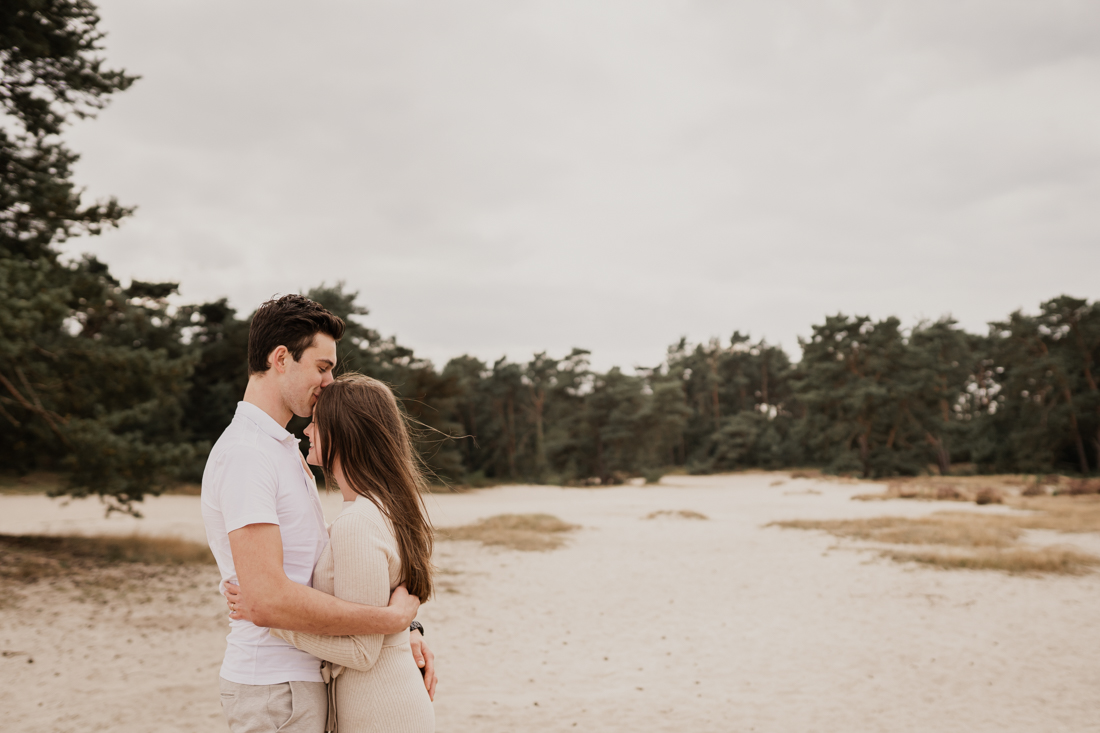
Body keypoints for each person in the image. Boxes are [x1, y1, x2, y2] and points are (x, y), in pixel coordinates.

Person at [201, 295, 435, 733]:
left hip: (307, 678)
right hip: (274, 685)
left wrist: (405, 630)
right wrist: (390, 620)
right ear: (281, 359)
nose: (329, 382)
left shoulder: (283, 450)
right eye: (323, 367)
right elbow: (267, 600)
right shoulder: (248, 455)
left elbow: (341, 569)